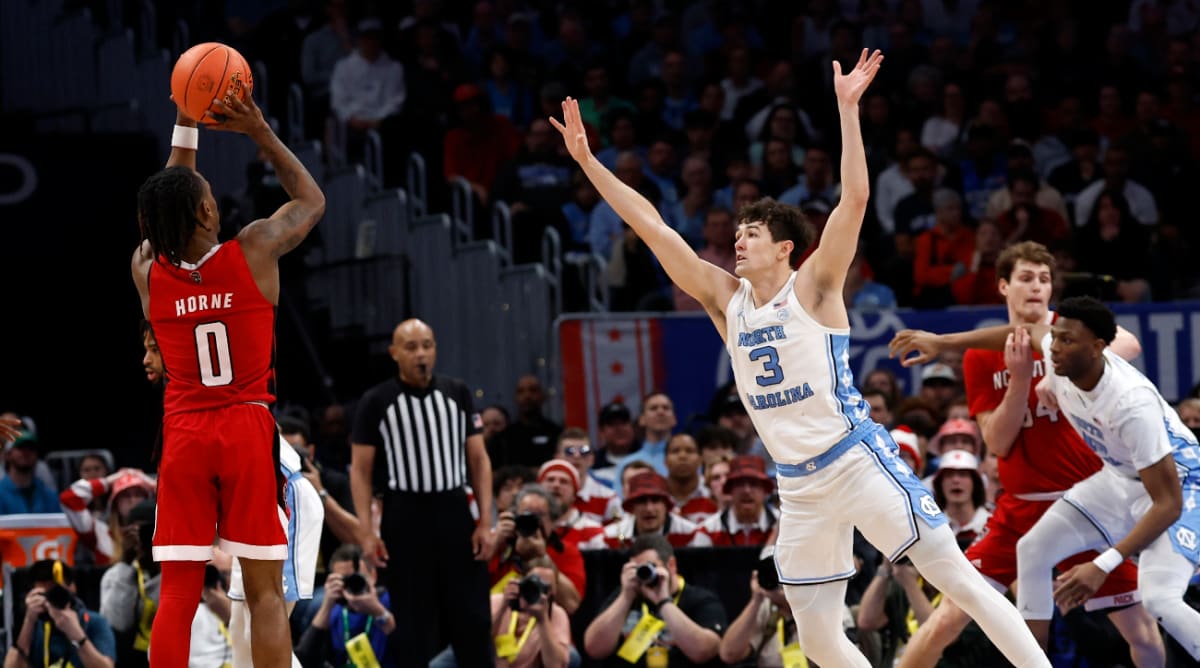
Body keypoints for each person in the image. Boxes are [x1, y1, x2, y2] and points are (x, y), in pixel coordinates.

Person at [552, 49, 1049, 668]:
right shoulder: (725, 299)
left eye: (751, 234)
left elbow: (855, 198)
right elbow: (654, 228)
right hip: (798, 484)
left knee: (961, 583)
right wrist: (589, 163)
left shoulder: (813, 286)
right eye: (737, 233)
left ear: (785, 247)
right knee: (816, 638)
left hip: (856, 461)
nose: (737, 241)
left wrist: (848, 110)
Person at [894, 243, 1162, 668]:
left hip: (1087, 505)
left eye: (1044, 279)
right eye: (1025, 278)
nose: (1036, 286)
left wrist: (1059, 372)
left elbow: (1129, 343)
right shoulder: (983, 354)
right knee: (946, 620)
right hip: (1019, 509)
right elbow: (997, 443)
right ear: (1004, 286)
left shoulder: (1068, 332)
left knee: (1143, 632)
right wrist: (1019, 381)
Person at [131, 89, 325, 667]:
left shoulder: (147, 271)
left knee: (177, 592)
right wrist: (258, 128)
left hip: (185, 431)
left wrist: (184, 123)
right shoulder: (255, 249)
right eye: (210, 198)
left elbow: (168, 198)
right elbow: (311, 199)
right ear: (208, 214)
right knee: (265, 593)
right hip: (245, 426)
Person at [349, 319, 496, 666]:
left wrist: (485, 522)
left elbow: (479, 460)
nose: (421, 354)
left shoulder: (457, 392)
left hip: (453, 509)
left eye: (427, 345)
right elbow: (360, 470)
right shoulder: (376, 400)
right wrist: (366, 532)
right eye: (411, 347)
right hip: (405, 514)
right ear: (394, 353)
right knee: (413, 622)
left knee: (473, 618)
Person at [227, 431, 325, 667]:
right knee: (239, 633)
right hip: (248, 510)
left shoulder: (241, 413)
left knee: (258, 633)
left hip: (280, 497)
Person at [583, 534, 726, 667]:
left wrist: (663, 602)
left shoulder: (700, 599)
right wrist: (625, 597)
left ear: (671, 565)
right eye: (638, 569)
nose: (645, 574)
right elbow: (594, 649)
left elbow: (704, 652)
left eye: (651, 566)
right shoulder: (626, 596)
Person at [294, 544, 397, 667]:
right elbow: (303, 659)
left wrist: (378, 612)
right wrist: (327, 606)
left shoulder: (389, 600)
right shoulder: (333, 610)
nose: (353, 584)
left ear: (373, 575)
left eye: (358, 578)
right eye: (345, 580)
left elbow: (408, 650)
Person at [4, 560, 117, 668]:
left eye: (56, 593)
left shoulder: (93, 622)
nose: (49, 601)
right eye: (43, 595)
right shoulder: (32, 625)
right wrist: (29, 622)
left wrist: (77, 635)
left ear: (72, 588)